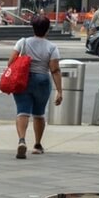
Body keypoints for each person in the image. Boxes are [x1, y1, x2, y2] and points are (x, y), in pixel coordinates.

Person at [10, 15, 63, 159]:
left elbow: (11, 61)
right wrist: (59, 91)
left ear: (33, 28)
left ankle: (21, 140)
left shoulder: (23, 42)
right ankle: (38, 145)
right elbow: (55, 70)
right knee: (39, 113)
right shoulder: (52, 47)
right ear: (47, 30)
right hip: (42, 81)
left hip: (23, 80)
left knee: (22, 111)